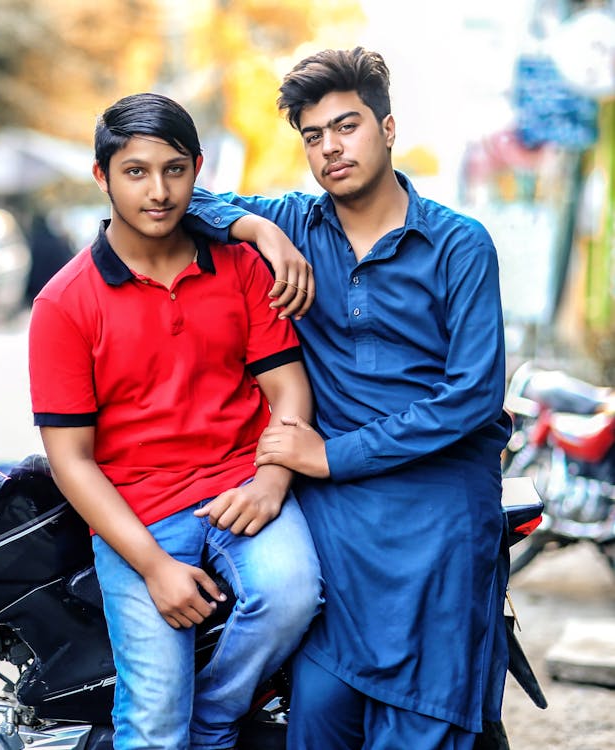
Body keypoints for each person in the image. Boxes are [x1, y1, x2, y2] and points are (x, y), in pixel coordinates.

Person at [185, 47, 513, 749]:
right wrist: (258, 230)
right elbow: (175, 197)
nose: (330, 148)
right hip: (335, 528)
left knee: (419, 726)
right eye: (312, 136)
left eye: (347, 126)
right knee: (317, 721)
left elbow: (471, 397)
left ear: (387, 129)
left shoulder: (457, 244)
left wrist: (331, 453)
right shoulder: (296, 222)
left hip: (436, 522)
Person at [28, 92, 322, 750]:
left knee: (291, 594)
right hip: (138, 510)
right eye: (134, 172)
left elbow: (288, 393)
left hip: (242, 486)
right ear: (101, 176)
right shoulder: (64, 303)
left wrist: (271, 482)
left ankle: (214, 721)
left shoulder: (242, 265)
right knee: (156, 720)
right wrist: (154, 566)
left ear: (196, 170)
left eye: (173, 170)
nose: (157, 192)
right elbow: (70, 459)